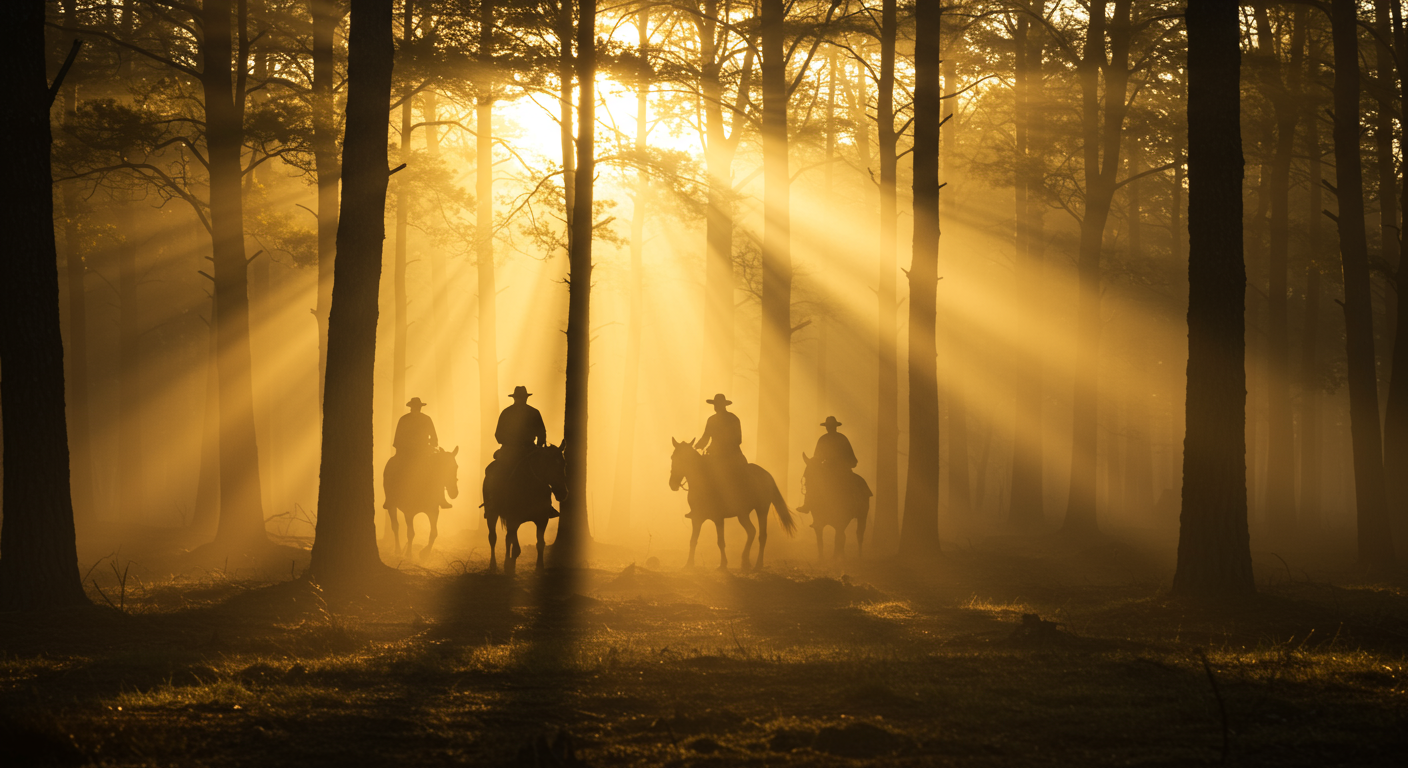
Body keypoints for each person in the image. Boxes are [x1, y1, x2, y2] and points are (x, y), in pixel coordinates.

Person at [485, 386, 549, 515]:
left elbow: (541, 433)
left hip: (527, 450)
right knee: (495, 471)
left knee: (547, 473)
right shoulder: (530, 412)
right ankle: (493, 502)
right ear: (516, 398)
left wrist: (538, 447)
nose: (521, 400)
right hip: (513, 450)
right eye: (520, 398)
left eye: (522, 398)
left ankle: (546, 505)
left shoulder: (511, 412)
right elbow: (499, 435)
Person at [386, 397, 446, 509]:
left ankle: (441, 498)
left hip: (421, 452)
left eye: (417, 407)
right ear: (412, 407)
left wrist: (431, 444)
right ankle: (390, 498)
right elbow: (398, 439)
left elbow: (433, 437)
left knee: (439, 470)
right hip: (408, 452)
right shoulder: (418, 419)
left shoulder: (407, 419)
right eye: (415, 406)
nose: (416, 408)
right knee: (393, 470)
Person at [801, 416, 859, 513]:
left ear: (835, 427)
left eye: (830, 426)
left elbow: (851, 458)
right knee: (812, 482)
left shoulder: (838, 439)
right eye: (828, 426)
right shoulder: (825, 439)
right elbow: (817, 458)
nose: (829, 428)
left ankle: (855, 507)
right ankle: (808, 504)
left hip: (842, 470)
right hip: (827, 468)